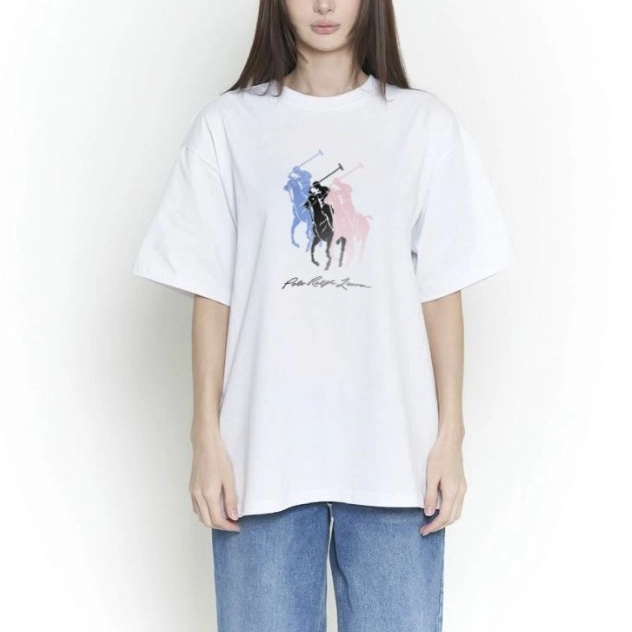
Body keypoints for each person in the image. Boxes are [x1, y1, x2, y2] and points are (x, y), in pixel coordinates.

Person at [132, 0, 517, 630]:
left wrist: (451, 436)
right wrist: (205, 436)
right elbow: (210, 291)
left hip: (396, 458)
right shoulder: (227, 127)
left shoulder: (424, 126)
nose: (323, 5)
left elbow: (441, 291)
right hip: (260, 456)